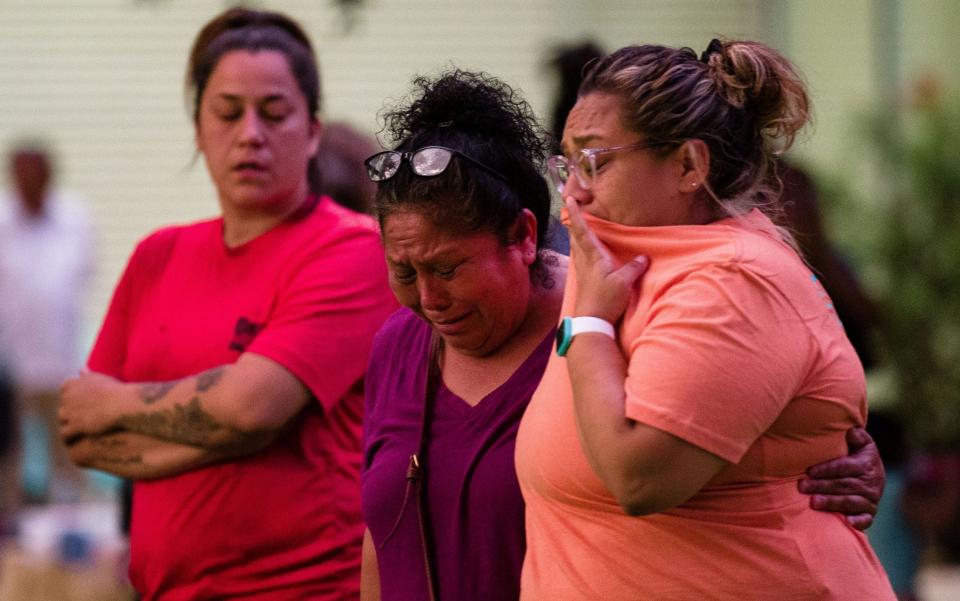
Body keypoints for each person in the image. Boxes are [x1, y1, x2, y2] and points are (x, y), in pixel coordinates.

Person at [359, 70, 886, 601]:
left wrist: (825, 454)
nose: (427, 298)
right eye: (404, 272)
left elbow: (685, 440)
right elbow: (382, 534)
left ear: (521, 235)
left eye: (448, 270)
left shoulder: (621, 313)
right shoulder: (400, 345)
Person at [515, 39, 896, 599]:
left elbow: (639, 477)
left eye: (595, 160)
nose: (573, 190)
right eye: (567, 163)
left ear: (689, 165)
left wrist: (589, 326)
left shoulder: (737, 279)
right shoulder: (618, 251)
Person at [56, 8, 396, 600]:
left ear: (312, 130)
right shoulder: (156, 257)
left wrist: (119, 404)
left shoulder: (353, 250)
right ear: (198, 128)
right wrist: (226, 428)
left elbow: (251, 409)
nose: (250, 134)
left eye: (274, 113)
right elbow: (84, 437)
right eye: (228, 112)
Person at [0, 143, 93, 509]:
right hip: (11, 363)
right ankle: (11, 523)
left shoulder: (76, 219)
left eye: (35, 174)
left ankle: (69, 519)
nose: (28, 182)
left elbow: (83, 277)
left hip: (61, 361)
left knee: (69, 450)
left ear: (50, 176)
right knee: (10, 453)